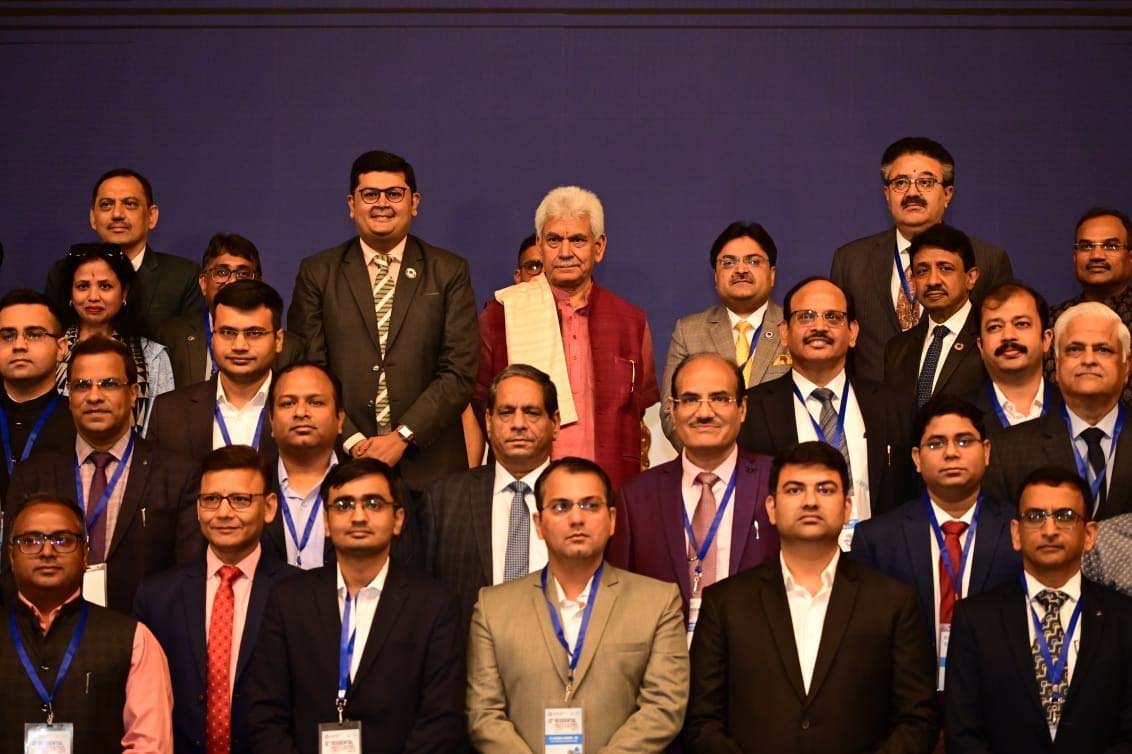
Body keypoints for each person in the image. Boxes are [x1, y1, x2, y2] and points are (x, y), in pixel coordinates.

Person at [683, 442, 939, 754]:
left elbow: (917, 719)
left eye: (825, 489)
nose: (810, 501)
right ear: (771, 508)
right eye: (794, 490)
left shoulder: (893, 602)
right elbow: (701, 720)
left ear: (847, 508)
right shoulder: (725, 604)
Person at [288, 150, 479, 494]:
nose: (382, 204)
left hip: (431, 465)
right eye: (370, 194)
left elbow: (459, 371)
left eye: (394, 193)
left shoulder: (449, 271)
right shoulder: (318, 272)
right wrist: (354, 441)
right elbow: (308, 369)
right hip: (343, 461)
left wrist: (403, 436)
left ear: (414, 202)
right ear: (351, 204)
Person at [467, 457, 688, 752]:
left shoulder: (659, 602)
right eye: (560, 506)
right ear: (539, 523)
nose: (576, 519)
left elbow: (664, 708)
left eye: (590, 505)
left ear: (612, 520)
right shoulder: (493, 607)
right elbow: (484, 714)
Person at [248, 458, 465, 753]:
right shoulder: (287, 600)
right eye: (344, 505)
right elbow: (264, 713)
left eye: (374, 504)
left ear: (398, 519)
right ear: (326, 522)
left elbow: (441, 720)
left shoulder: (435, 605)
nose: (358, 516)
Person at [476, 186, 659, 489]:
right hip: (524, 487)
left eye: (577, 240)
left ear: (599, 247)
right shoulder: (501, 314)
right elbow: (481, 404)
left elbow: (639, 407)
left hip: (607, 488)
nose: (564, 252)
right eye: (553, 240)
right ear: (539, 244)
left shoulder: (630, 321)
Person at [5, 336, 201, 612]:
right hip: (51, 641)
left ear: (133, 394)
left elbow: (187, 578)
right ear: (70, 396)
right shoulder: (34, 475)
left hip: (146, 635)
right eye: (82, 385)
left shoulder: (178, 475)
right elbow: (13, 575)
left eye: (109, 384)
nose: (94, 396)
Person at [944, 466, 1132, 752]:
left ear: (1090, 534)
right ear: (1016, 533)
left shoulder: (1124, 618)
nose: (1050, 530)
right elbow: (964, 732)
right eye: (1035, 517)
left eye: (1065, 517)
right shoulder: (976, 619)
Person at [133, 445, 298, 754]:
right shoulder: (157, 596)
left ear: (270, 507)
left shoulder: (300, 592)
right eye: (211, 500)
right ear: (197, 508)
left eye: (240, 499)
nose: (223, 513)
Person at [850, 396, 1021, 690]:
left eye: (965, 441)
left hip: (999, 698)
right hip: (905, 702)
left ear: (987, 451)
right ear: (917, 458)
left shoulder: (1019, 531)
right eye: (936, 443)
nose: (951, 453)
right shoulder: (877, 540)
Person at [738, 277, 919, 536]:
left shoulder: (895, 406)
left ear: (853, 332)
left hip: (879, 566)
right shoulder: (752, 409)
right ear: (785, 333)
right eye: (806, 316)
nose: (819, 326)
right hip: (789, 563)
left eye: (833, 317)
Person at [610, 353, 779, 625]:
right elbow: (620, 597)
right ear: (672, 410)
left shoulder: (777, 482)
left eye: (720, 398)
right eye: (690, 400)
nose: (704, 412)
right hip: (665, 658)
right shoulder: (636, 498)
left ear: (743, 409)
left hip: (755, 658)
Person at [1, 493, 173, 752]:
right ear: (11, 555)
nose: (47, 551)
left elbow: (150, 746)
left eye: (63, 540)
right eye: (31, 540)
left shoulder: (134, 639)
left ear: (85, 553)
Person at [831, 137, 1012, 383]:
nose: (912, 193)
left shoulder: (987, 259)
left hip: (958, 413)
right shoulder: (851, 260)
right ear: (886, 194)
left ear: (948, 194)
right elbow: (839, 350)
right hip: (873, 413)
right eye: (900, 183)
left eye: (925, 182)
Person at [423, 364, 560, 627]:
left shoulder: (581, 500)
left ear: (554, 423)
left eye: (531, 413)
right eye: (506, 413)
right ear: (488, 421)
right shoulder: (443, 500)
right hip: (467, 660)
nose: (518, 424)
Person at [986, 302, 1132, 520]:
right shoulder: (1006, 450)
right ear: (1057, 364)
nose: (1089, 360)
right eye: (1075, 349)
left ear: (1126, 366)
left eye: (1103, 349)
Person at [660, 222, 791, 450]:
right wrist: (714, 459)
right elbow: (670, 412)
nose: (740, 269)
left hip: (780, 470)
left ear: (772, 275)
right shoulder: (688, 331)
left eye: (753, 261)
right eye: (728, 262)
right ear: (715, 275)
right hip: (712, 466)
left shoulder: (793, 328)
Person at [45, 168, 203, 335]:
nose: (117, 214)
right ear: (93, 217)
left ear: (151, 216)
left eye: (130, 204)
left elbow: (190, 351)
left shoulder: (183, 275)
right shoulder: (63, 273)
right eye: (106, 204)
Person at [148, 280, 284, 465]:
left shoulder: (304, 410)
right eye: (228, 332)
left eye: (254, 333)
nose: (239, 346)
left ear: (278, 340)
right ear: (212, 337)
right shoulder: (169, 412)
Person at [52, 243, 174, 436]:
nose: (93, 296)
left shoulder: (152, 355)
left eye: (105, 286)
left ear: (124, 292)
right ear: (70, 293)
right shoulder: (51, 349)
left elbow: (162, 433)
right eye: (83, 286)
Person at [153, 233, 305, 387]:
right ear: (203, 283)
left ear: (259, 283)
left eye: (243, 274)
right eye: (222, 272)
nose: (232, 282)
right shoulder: (170, 337)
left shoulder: (289, 348)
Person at [883, 223, 986, 406]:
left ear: (970, 277)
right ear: (913, 280)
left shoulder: (989, 336)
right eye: (922, 271)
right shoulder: (897, 350)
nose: (932, 281)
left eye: (945, 268)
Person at [1047, 207, 1132, 404]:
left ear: (1130, 257)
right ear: (1075, 256)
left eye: (1110, 246)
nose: (1097, 255)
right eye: (1086, 246)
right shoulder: (1052, 321)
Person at [0, 290, 75, 499]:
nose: (19, 346)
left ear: (61, 348)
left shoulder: (81, 422)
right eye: (7, 336)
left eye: (34, 334)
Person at [974, 281, 1062, 433]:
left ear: (1046, 339)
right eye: (995, 327)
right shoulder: (960, 417)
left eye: (1021, 324)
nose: (1008, 336)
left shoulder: (1074, 410)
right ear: (981, 346)